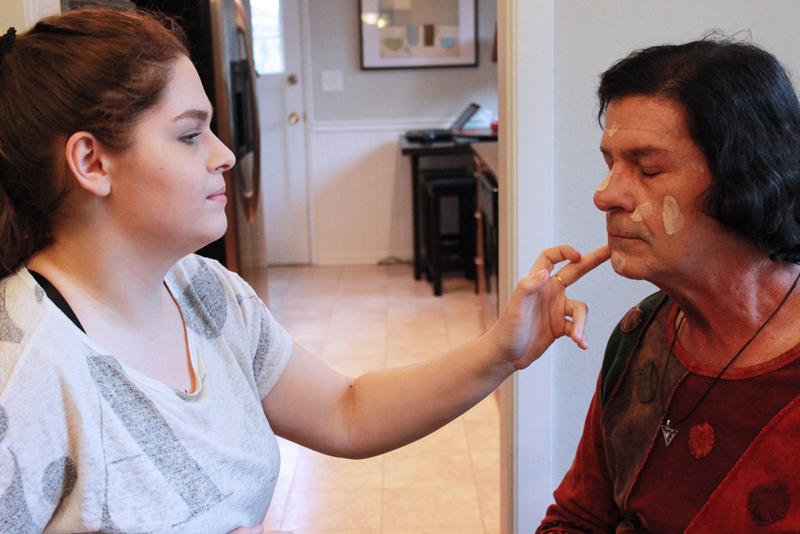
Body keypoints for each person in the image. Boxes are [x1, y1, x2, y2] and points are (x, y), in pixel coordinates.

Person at [0, 7, 609, 533]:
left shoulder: (208, 293)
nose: (223, 156)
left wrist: (502, 350)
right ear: (91, 162)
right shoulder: (23, 370)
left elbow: (347, 411)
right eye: (189, 135)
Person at [537, 37, 800, 533]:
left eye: (648, 167)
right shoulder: (644, 331)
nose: (605, 194)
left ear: (745, 178)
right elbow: (578, 518)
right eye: (609, 163)